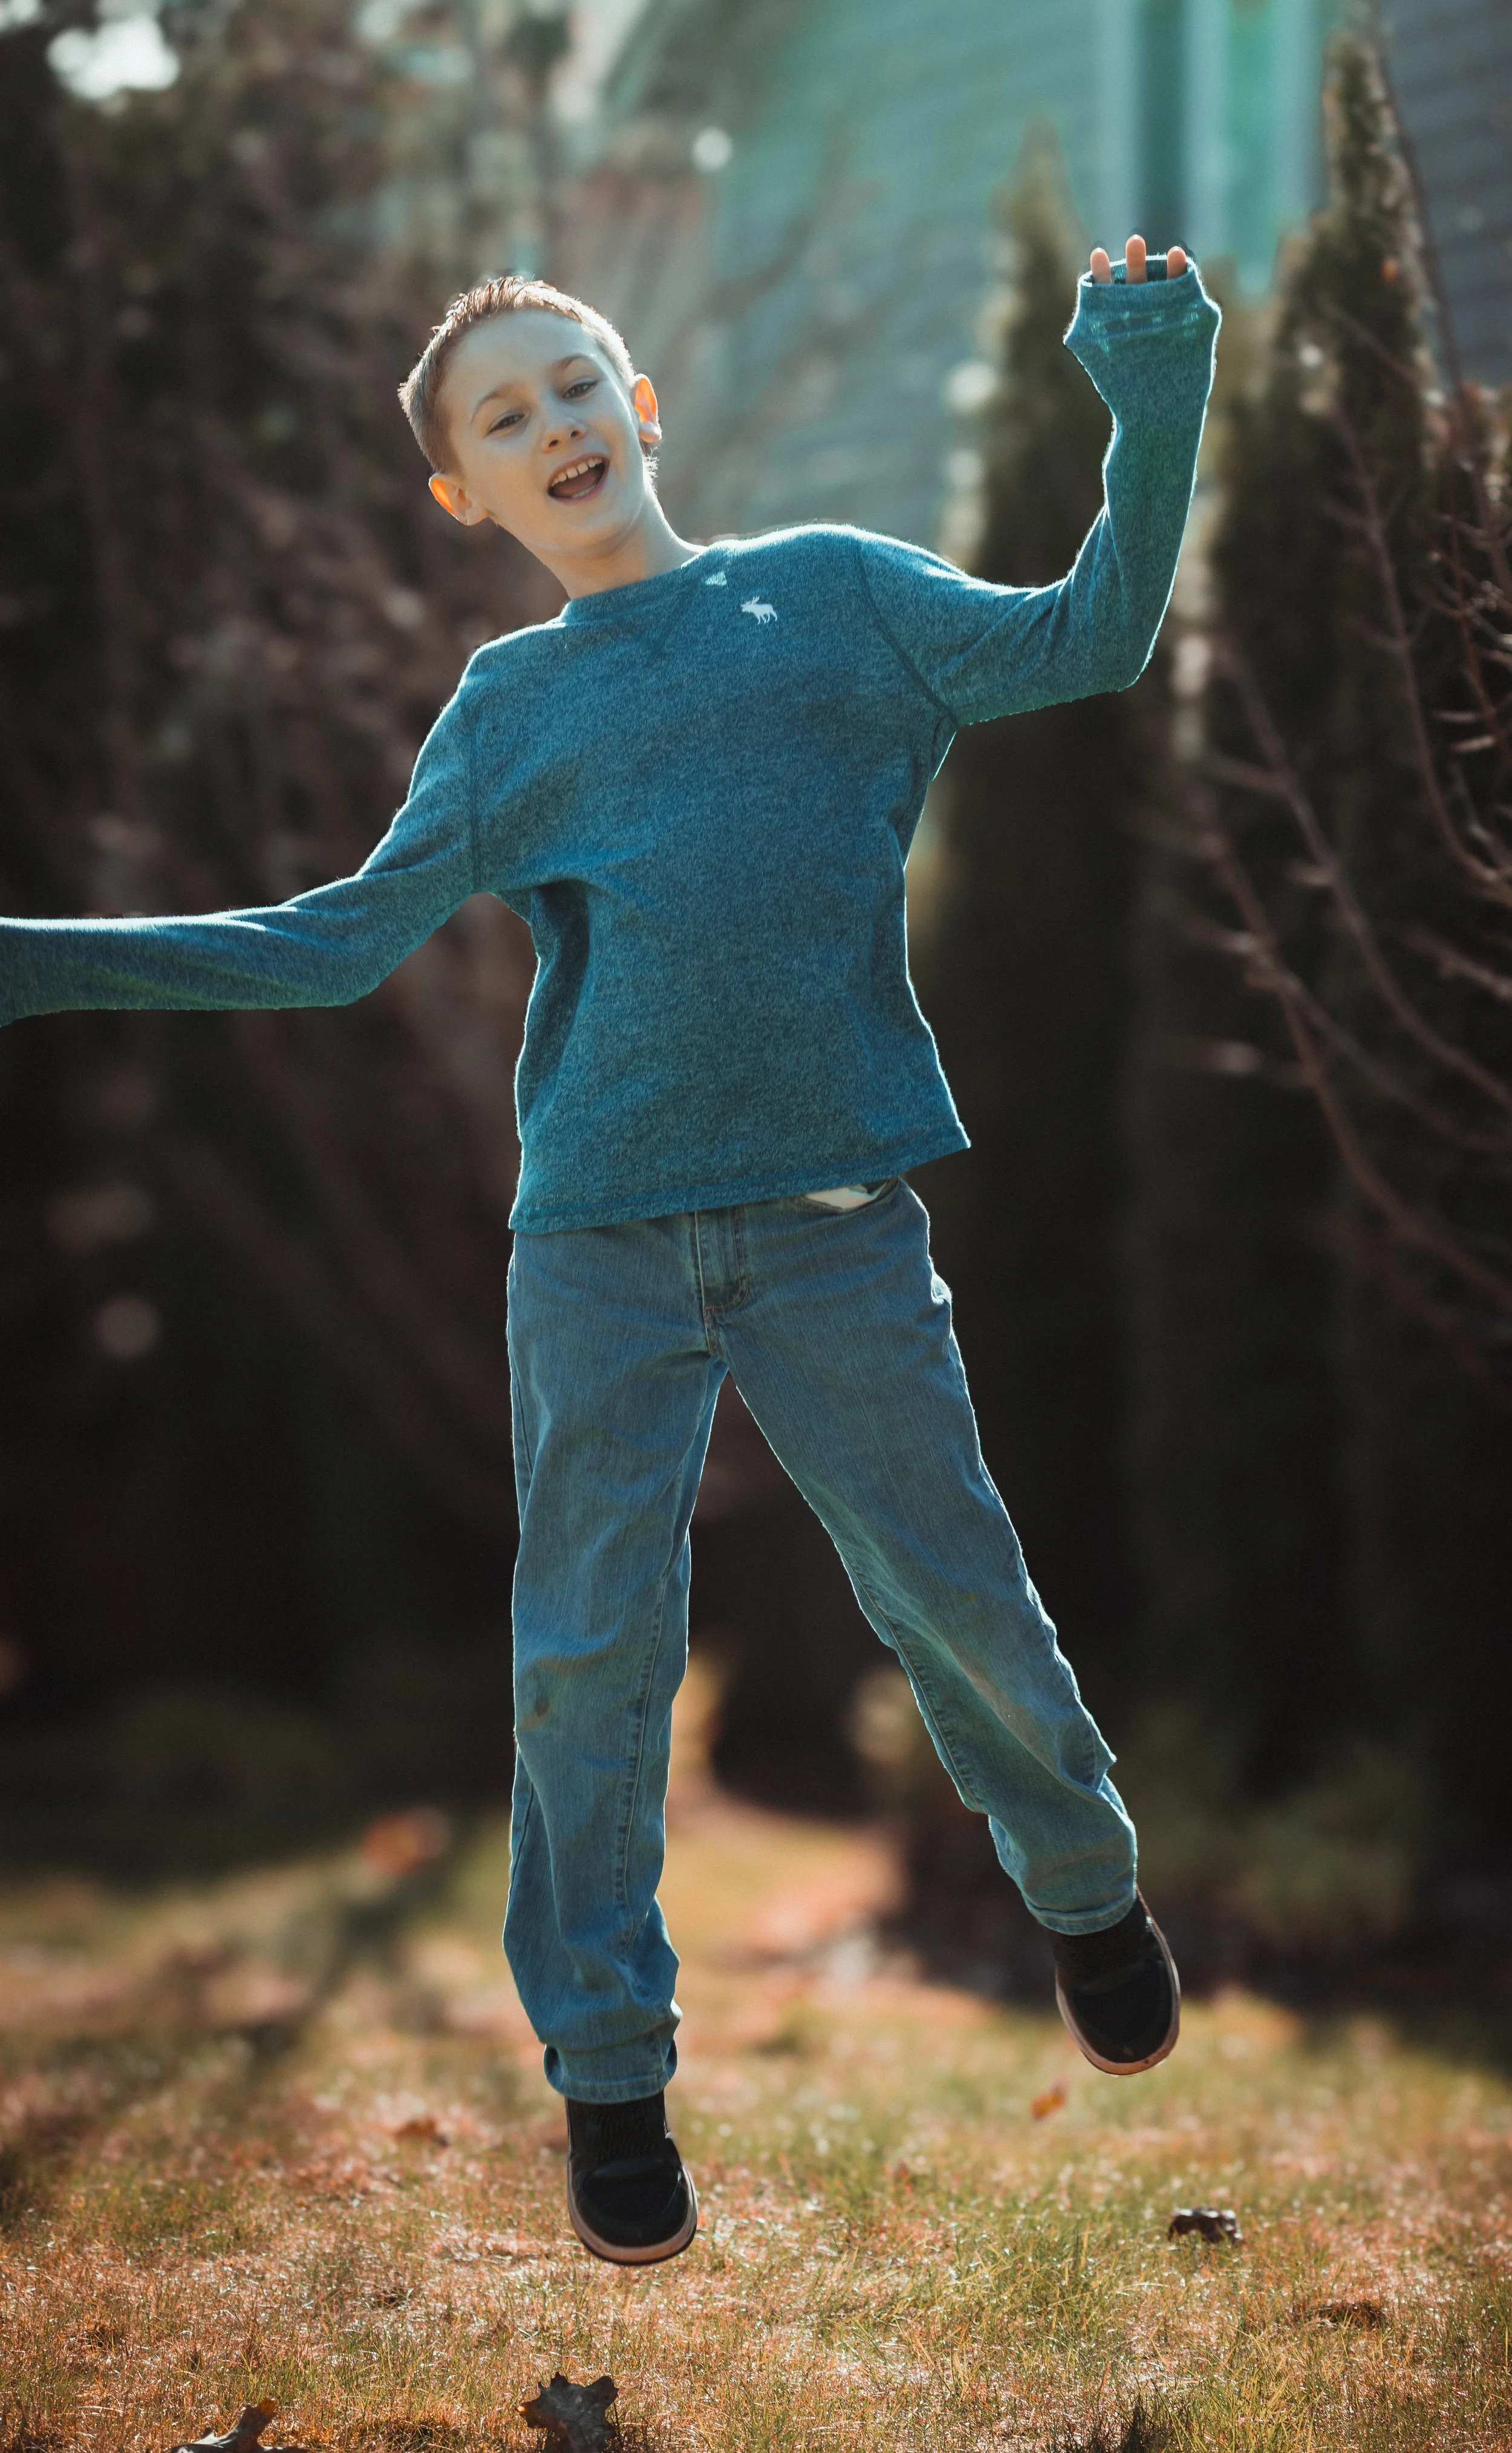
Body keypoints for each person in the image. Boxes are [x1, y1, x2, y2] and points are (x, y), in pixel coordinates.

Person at [0, 232, 1219, 2267]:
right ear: (459, 495)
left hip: (834, 1231)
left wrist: (1155, 399)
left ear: (640, 407)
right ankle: (610, 2076)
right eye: (505, 415)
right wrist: (37, 966)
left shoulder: (831, 596)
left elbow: (1085, 638)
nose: (554, 422)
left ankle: (1084, 1884)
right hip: (598, 1252)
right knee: (585, 1665)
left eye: (576, 383)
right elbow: (334, 945)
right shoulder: (507, 709)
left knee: (959, 1599)